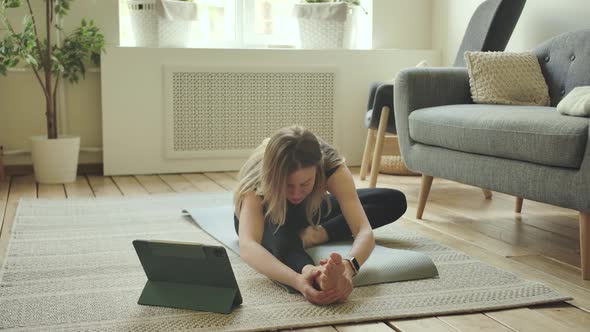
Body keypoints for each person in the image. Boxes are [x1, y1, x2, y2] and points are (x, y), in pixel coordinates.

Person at [233, 126, 407, 305]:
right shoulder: (258, 179)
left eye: (305, 183)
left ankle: (317, 234)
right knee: (281, 238)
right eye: (288, 185)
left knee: (393, 200)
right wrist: (297, 281)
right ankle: (313, 273)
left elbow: (363, 229)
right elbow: (248, 245)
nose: (295, 194)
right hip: (269, 217)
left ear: (317, 170)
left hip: (310, 208)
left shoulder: (331, 166)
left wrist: (349, 266)